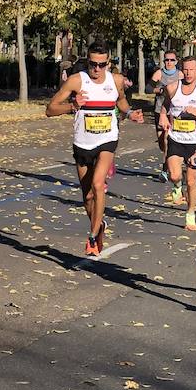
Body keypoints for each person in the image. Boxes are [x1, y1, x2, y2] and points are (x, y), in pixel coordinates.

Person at [45, 42, 144, 255]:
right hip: (82, 143)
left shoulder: (115, 80)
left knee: (98, 184)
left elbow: (122, 101)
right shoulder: (76, 81)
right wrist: (72, 106)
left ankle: (91, 237)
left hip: (107, 140)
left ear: (108, 63)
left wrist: (130, 114)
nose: (97, 69)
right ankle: (99, 225)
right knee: (87, 197)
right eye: (92, 64)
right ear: (87, 62)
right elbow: (50, 109)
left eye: (101, 65)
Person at [158, 57, 196, 230]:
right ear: (182, 70)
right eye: (186, 70)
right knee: (175, 175)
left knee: (191, 181)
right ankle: (176, 186)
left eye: (192, 69)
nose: (189, 73)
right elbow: (165, 105)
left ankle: (190, 214)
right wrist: (162, 116)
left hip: (195, 144)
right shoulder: (173, 87)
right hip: (176, 139)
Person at [149, 49, 181, 175]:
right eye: (166, 60)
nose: (169, 62)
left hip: (172, 111)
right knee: (162, 141)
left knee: (168, 138)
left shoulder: (180, 75)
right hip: (158, 108)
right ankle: (167, 158)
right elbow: (148, 88)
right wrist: (161, 90)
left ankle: (165, 169)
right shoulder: (159, 73)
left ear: (176, 61)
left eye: (172, 60)